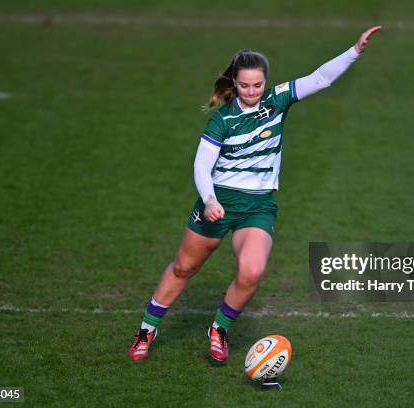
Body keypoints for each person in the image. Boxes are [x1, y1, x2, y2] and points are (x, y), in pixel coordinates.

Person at [128, 26, 382, 362]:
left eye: (258, 85)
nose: (252, 91)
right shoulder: (223, 119)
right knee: (183, 269)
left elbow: (320, 78)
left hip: (258, 206)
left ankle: (218, 330)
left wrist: (354, 51)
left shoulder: (277, 100)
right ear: (235, 83)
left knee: (251, 272)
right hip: (218, 203)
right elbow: (201, 166)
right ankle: (147, 330)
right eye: (245, 85)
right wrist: (210, 200)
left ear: (266, 81)